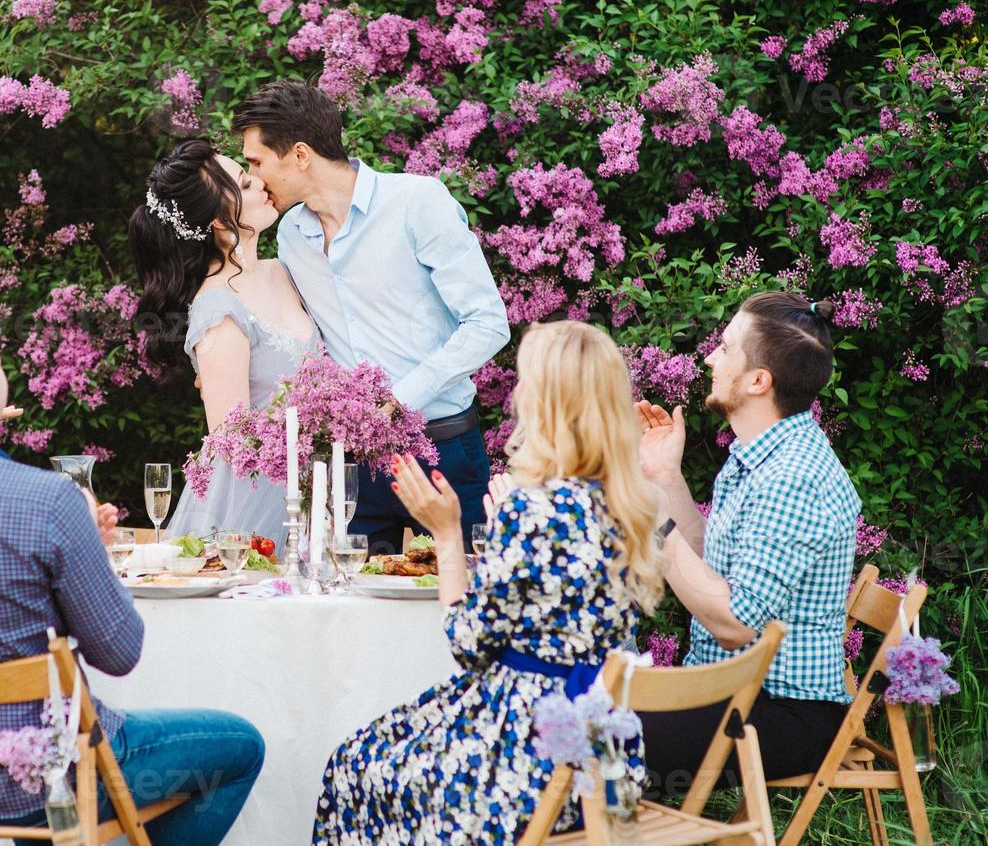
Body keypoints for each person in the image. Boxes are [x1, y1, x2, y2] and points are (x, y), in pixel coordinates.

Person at [0, 299, 264, 842]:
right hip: (47, 779)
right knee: (243, 746)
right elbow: (120, 653)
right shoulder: (47, 501)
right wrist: (88, 547)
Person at [313, 321, 666, 844]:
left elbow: (467, 644)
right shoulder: (627, 504)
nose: (516, 393)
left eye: (526, 381)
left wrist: (447, 535)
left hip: (527, 759)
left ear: (548, 403)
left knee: (354, 767)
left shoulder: (533, 507)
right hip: (604, 764)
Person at [233, 80, 510, 554]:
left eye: (257, 162)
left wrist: (399, 399)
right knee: (346, 610)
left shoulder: (417, 202)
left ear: (300, 155)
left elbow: (488, 323)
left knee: (453, 610)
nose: (254, 179)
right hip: (352, 466)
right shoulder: (294, 237)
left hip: (443, 451)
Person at [637, 291, 859, 795]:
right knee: (575, 714)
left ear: (759, 381)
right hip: (729, 689)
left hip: (779, 710)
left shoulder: (793, 477)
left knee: (581, 738)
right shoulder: (759, 457)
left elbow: (735, 624)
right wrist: (663, 480)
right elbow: (713, 566)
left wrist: (647, 515)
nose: (710, 358)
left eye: (725, 348)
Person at [129, 137, 320, 547]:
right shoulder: (217, 308)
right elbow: (233, 441)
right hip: (256, 508)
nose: (261, 181)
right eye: (245, 184)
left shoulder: (283, 271)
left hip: (314, 488)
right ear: (218, 220)